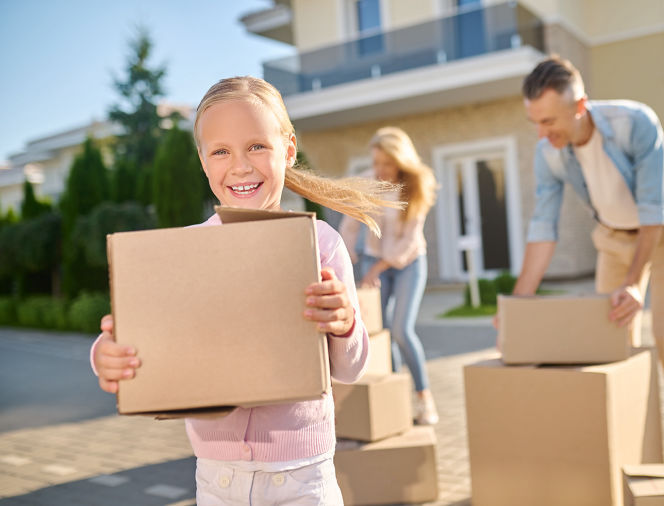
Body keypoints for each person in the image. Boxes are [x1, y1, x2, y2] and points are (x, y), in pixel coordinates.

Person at [91, 76, 401, 505]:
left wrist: (345, 323)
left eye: (256, 146)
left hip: (302, 479)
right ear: (202, 160)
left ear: (288, 150)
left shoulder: (320, 243)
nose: (240, 165)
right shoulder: (185, 250)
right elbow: (141, 337)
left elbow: (350, 369)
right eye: (220, 151)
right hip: (218, 482)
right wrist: (105, 353)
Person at [514, 56, 664, 463]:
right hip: (612, 240)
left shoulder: (634, 123)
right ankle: (633, 459)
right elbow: (542, 227)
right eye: (535, 122)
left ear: (580, 106)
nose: (542, 132)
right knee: (613, 346)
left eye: (550, 121)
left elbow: (653, 210)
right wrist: (518, 304)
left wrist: (633, 282)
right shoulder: (548, 153)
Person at [339, 127, 439, 425]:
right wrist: (344, 265)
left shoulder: (418, 185)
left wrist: (376, 268)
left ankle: (424, 397)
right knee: (381, 335)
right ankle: (397, 399)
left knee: (400, 329)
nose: (380, 170)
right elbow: (350, 227)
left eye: (386, 163)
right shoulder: (368, 184)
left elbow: (409, 240)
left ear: (400, 160)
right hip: (372, 260)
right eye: (376, 162)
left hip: (408, 262)